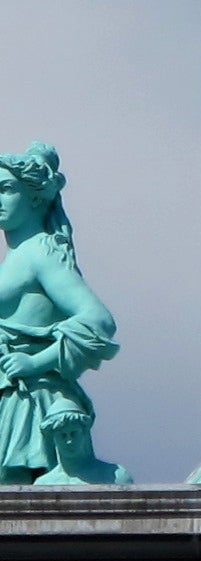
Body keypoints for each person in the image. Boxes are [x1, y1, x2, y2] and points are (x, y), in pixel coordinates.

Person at [0, 143, 124, 485]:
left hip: (29, 402)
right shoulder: (19, 256)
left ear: (36, 197)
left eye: (7, 189)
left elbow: (99, 322)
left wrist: (34, 364)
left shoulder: (41, 253)